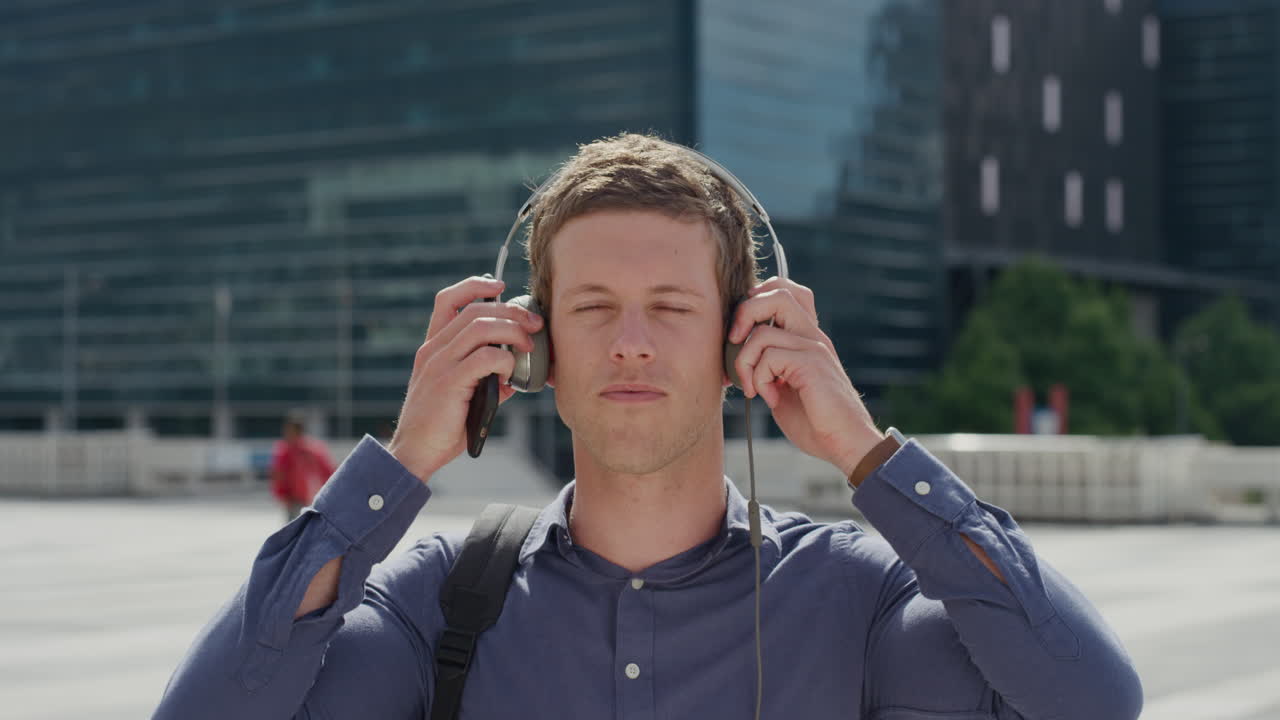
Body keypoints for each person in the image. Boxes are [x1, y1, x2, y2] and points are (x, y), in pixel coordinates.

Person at [154, 134, 1142, 719]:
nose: (630, 344)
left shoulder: (855, 599)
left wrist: (865, 450)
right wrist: (402, 463)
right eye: (592, 309)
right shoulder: (438, 606)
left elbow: (1091, 698)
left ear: (738, 339)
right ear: (531, 351)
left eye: (669, 307)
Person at [268, 411, 336, 523]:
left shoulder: (306, 449)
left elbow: (327, 471)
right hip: (297, 498)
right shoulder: (286, 450)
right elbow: (277, 474)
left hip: (305, 498)